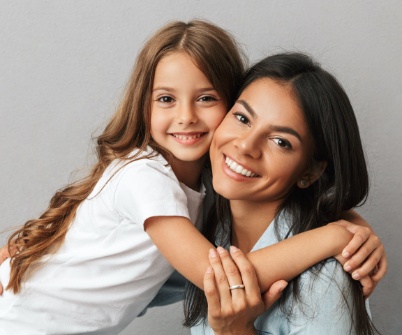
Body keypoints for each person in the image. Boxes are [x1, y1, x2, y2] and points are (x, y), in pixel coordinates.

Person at [0, 21, 384, 334]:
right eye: (166, 99)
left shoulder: (207, 190)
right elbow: (213, 276)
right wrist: (334, 235)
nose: (186, 117)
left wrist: (349, 222)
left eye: (206, 99)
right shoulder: (152, 182)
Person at [189, 53, 381, 335]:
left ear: (310, 172)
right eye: (242, 118)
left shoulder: (325, 279)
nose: (245, 146)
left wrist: (236, 331)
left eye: (281, 142)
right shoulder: (204, 222)